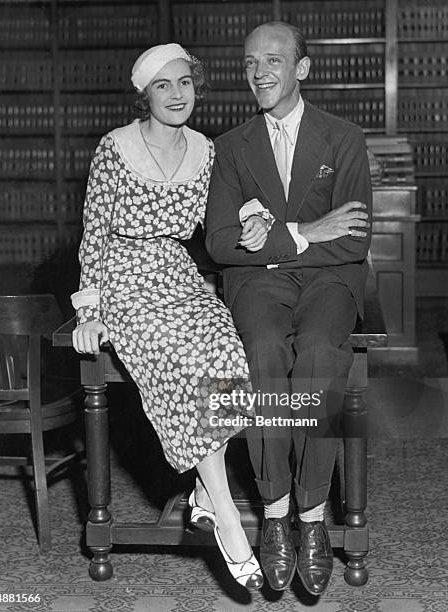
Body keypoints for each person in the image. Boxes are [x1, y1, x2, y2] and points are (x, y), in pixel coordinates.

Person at [70, 43, 263, 590]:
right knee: (183, 358)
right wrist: (90, 307)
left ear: (196, 88)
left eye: (185, 84)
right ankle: (226, 515)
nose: (177, 95)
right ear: (144, 94)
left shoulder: (206, 149)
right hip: (125, 280)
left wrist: (251, 216)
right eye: (163, 86)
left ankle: (203, 493)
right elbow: (95, 232)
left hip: (180, 277)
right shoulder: (115, 148)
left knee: (226, 350)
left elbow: (225, 207)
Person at [206, 22, 372, 596]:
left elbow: (353, 239)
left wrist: (277, 235)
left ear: (301, 69)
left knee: (322, 355)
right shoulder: (229, 147)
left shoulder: (345, 137)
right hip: (257, 283)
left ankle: (311, 514)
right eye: (250, 62)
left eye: (273, 61)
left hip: (331, 280)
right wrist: (304, 230)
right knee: (264, 352)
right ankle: (275, 510)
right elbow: (222, 244)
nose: (259, 73)